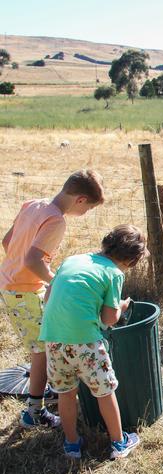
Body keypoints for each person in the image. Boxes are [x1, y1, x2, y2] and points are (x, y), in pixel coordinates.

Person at [0, 169, 105, 429]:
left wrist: (30, 272)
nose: (86, 213)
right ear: (80, 199)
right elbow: (32, 260)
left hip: (10, 284)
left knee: (43, 346)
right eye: (89, 208)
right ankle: (34, 412)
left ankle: (45, 392)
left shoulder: (33, 204)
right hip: (24, 290)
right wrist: (55, 281)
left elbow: (7, 241)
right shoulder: (56, 220)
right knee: (42, 351)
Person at [39, 224, 147, 459]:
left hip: (52, 336)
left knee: (66, 393)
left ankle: (71, 443)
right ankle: (119, 443)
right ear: (131, 261)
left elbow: (48, 296)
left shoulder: (72, 260)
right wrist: (122, 306)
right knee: (105, 391)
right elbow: (109, 318)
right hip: (85, 342)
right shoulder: (115, 273)